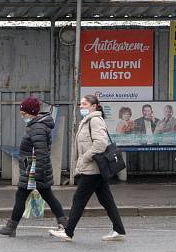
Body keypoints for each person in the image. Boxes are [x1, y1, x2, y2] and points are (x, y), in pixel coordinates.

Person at [49, 94, 126, 242]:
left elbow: (101, 143)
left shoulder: (95, 120)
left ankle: (68, 232)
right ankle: (119, 229)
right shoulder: (87, 121)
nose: (81, 107)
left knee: (79, 199)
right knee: (106, 200)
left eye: (84, 104)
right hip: (95, 168)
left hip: (93, 168)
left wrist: (85, 157)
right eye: (81, 104)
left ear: (93, 106)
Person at [0, 96, 67, 237]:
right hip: (35, 168)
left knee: (26, 196)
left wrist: (37, 173)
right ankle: (64, 224)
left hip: (35, 170)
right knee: (43, 196)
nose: (22, 116)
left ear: (31, 113)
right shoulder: (37, 125)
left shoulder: (37, 127)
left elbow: (41, 152)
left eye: (24, 113)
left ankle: (11, 227)